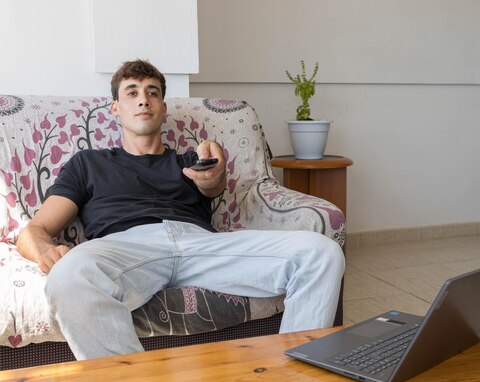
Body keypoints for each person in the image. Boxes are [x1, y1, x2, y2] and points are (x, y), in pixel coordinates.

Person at [16, 59, 344, 360]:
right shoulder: (88, 163)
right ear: (115, 108)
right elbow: (34, 230)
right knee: (68, 276)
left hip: (201, 245)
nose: (143, 99)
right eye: (132, 92)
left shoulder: (189, 161)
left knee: (322, 252)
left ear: (163, 108)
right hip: (127, 248)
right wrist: (45, 252)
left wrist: (216, 173)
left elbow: (211, 186)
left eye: (152, 93)